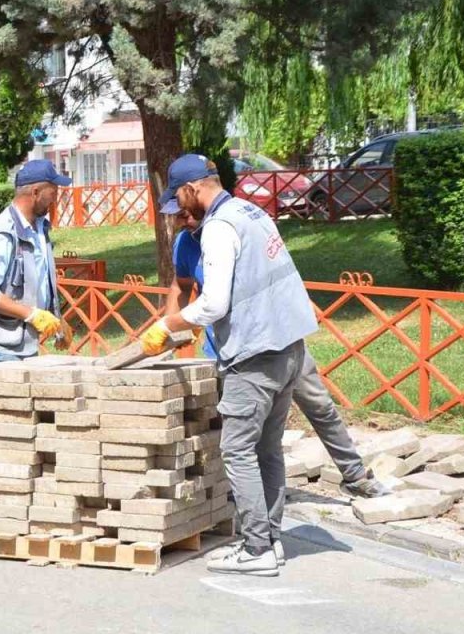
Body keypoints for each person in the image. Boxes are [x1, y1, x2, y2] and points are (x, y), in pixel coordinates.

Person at [139, 154, 315, 577]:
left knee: (237, 450)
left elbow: (214, 302)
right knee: (267, 449)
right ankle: (270, 539)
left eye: (179, 199)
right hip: (289, 347)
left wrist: (167, 325)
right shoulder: (252, 212)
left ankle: (256, 548)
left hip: (254, 356)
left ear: (193, 188)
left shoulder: (218, 228)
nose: (179, 210)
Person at [166, 200, 389, 502]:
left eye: (187, 213)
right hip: (231, 349)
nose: (184, 221)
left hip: (278, 338)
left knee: (319, 405)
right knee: (239, 427)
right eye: (178, 217)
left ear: (200, 201)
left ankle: (355, 476)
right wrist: (170, 327)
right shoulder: (186, 242)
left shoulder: (232, 230)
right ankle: (241, 493)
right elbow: (181, 285)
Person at [0, 159, 72, 364]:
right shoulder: (3, 233)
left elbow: (39, 279)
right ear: (35, 192)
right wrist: (32, 315)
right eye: (52, 194)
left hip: (23, 344)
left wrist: (55, 318)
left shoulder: (38, 228)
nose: (54, 200)